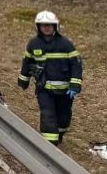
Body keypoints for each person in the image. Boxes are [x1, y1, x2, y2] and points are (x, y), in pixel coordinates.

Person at [18, 10, 83, 146]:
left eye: (49, 25)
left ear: (55, 26)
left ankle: (59, 136)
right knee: (47, 114)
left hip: (65, 91)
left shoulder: (66, 44)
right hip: (44, 90)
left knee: (63, 118)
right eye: (43, 25)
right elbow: (27, 63)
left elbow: (76, 64)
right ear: (38, 27)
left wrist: (75, 84)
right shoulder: (33, 44)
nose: (46, 27)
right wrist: (24, 80)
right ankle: (50, 146)